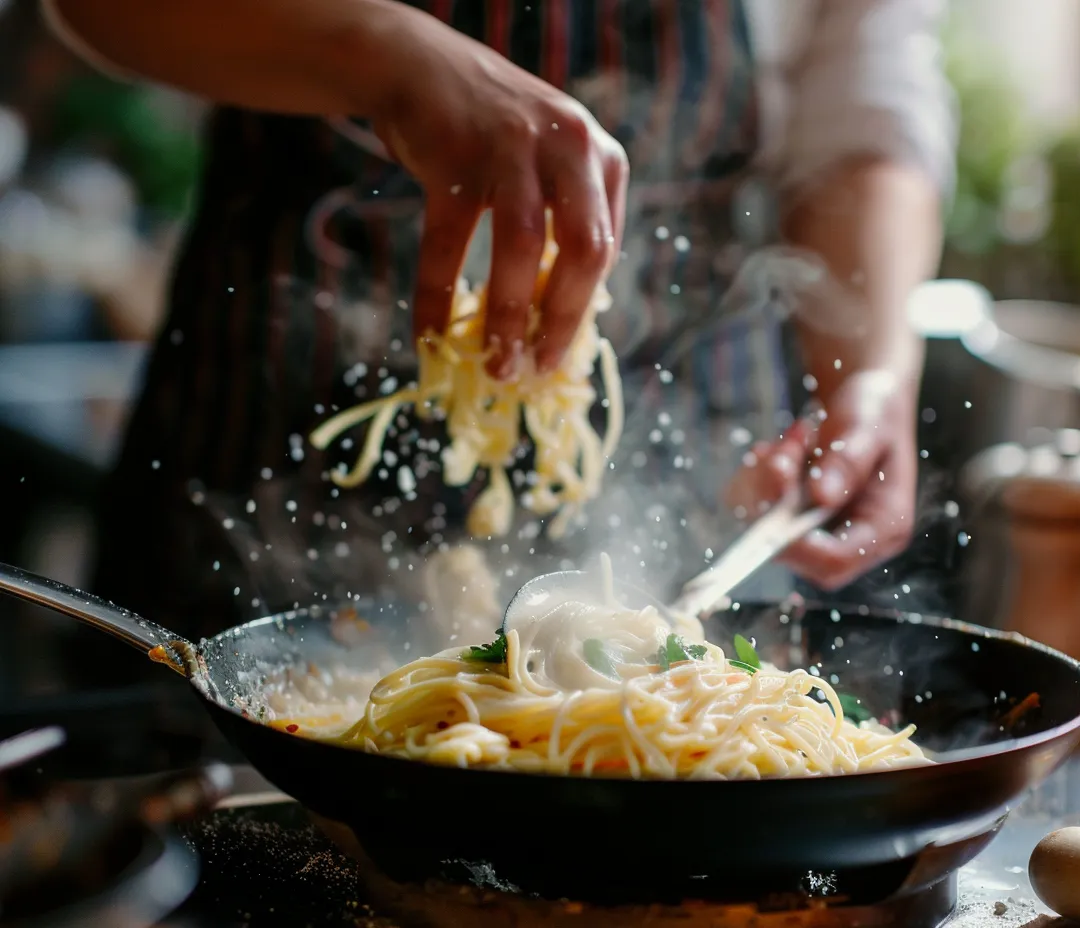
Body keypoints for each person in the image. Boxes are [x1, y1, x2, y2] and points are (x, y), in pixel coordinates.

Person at [44, 0, 955, 653]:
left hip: (696, 441)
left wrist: (869, 367)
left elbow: (863, 100)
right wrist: (386, 53)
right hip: (276, 429)